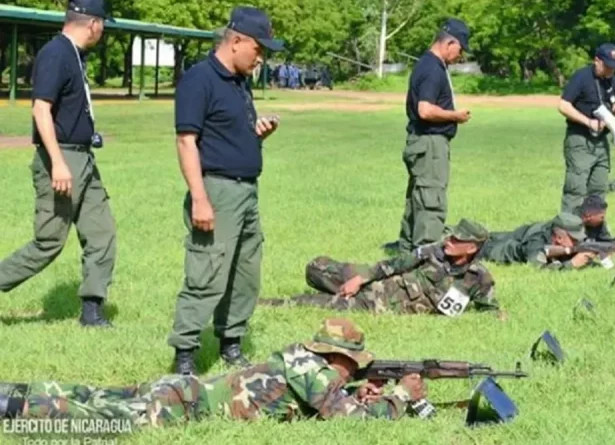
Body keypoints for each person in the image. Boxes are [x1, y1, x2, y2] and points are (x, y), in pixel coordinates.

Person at [0, 318, 427, 426]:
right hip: (181, 408)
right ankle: (13, 405)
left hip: (181, 392)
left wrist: (360, 391)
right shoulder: (312, 371)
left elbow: (332, 400)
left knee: (95, 395)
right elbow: (345, 420)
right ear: (337, 357)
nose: (358, 367)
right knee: (90, 419)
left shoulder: (303, 361)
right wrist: (402, 395)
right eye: (354, 363)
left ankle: (13, 390)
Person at [168, 6, 284, 376]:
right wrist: (200, 198)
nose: (261, 57)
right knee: (207, 273)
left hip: (247, 192)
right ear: (236, 42)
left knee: (244, 274)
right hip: (216, 191)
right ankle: (184, 352)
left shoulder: (239, 81)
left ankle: (231, 342)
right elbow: (187, 142)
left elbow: (227, 133)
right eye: (259, 49)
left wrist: (256, 134)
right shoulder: (199, 80)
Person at [0, 0, 116, 327]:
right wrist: (59, 163)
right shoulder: (56, 53)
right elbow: (40, 110)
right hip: (62, 157)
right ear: (93, 23)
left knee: (101, 233)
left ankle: (92, 311)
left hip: (83, 157)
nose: (103, 30)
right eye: (103, 23)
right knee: (48, 242)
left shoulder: (74, 56)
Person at [259, 219, 497, 316]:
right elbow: (394, 264)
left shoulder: (479, 278)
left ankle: (261, 303)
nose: (449, 242)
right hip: (377, 283)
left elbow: (490, 309)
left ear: (471, 248)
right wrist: (361, 278)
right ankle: (339, 284)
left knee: (308, 303)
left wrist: (498, 315)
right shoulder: (434, 251)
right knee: (316, 267)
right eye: (450, 237)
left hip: (375, 304)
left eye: (456, 241)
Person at [395, 18, 472, 252]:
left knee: (417, 199)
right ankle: (426, 255)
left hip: (422, 141)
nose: (460, 56)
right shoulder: (432, 69)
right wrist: (455, 116)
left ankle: (407, 251)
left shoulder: (428, 64)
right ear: (449, 43)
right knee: (431, 200)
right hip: (430, 143)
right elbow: (425, 110)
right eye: (460, 50)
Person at [557, 43, 615, 215]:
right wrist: (588, 122)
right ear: (597, 61)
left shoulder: (612, 81)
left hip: (601, 142)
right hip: (580, 140)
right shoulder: (581, 77)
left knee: (598, 190)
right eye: (608, 66)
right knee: (576, 190)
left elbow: (610, 105)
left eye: (614, 67)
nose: (611, 71)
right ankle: (569, 230)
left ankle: (594, 233)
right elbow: (563, 106)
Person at [478, 213, 597, 270]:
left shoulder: (555, 233)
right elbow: (540, 269)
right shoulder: (536, 242)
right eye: (574, 240)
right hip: (486, 249)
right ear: (559, 238)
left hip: (508, 237)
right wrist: (572, 264)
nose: (578, 243)